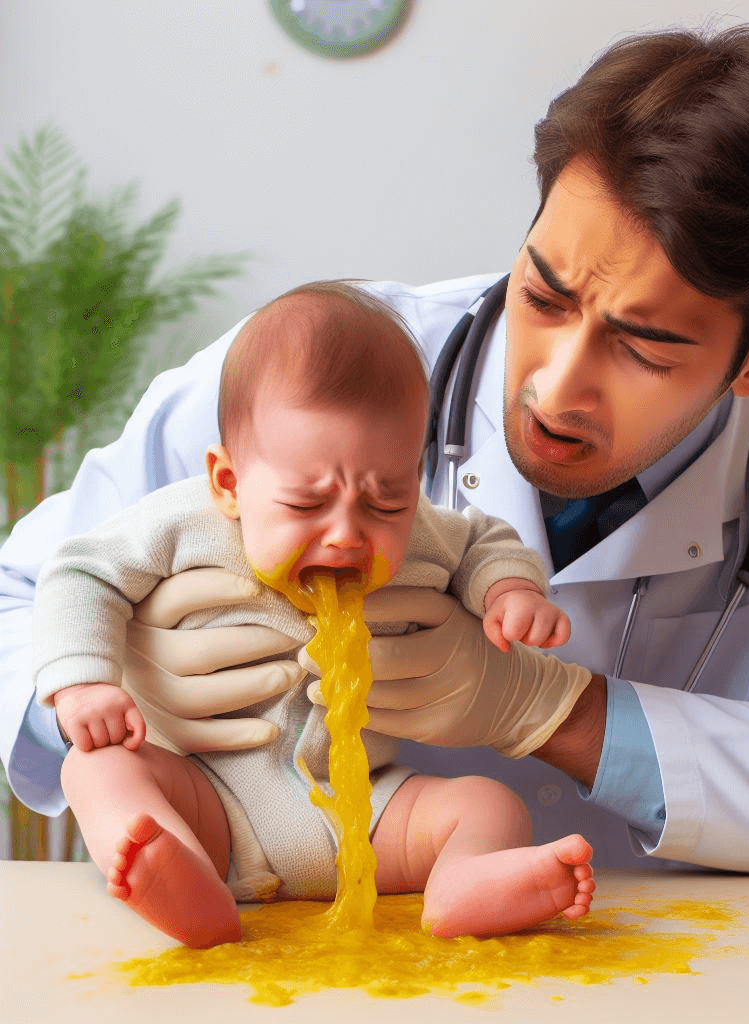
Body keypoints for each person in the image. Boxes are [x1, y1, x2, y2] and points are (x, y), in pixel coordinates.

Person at [1, 25, 749, 881]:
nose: (554, 384)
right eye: (545, 294)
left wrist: (549, 709)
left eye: (641, 345)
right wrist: (105, 682)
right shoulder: (317, 372)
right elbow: (18, 600)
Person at [30, 281, 595, 948]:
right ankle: (176, 867)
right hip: (215, 805)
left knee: (485, 802)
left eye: (386, 500)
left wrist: (509, 593)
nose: (347, 534)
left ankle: (462, 883)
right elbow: (79, 571)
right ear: (229, 483)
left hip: (372, 816)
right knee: (97, 770)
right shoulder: (183, 524)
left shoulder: (421, 534)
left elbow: (482, 541)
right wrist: (87, 680)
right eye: (306, 504)